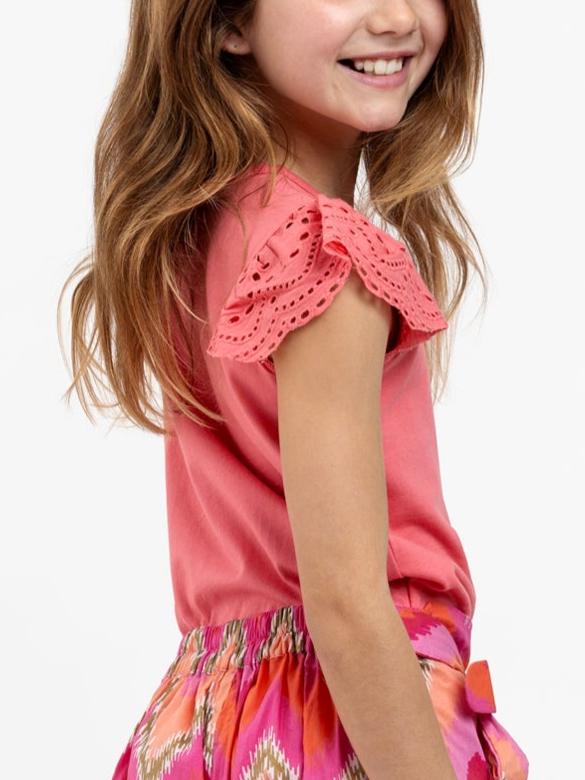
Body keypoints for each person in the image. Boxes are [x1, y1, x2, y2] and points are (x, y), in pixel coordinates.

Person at [59, 1, 530, 778]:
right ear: (225, 23)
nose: (396, 16)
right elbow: (345, 607)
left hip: (202, 723)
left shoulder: (208, 236)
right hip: (333, 721)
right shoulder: (324, 259)